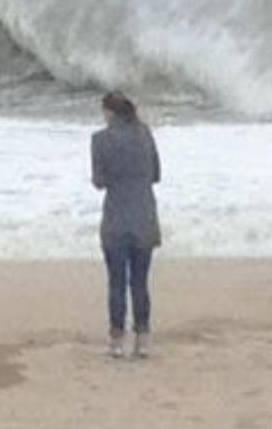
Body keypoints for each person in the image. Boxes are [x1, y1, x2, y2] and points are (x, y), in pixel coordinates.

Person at [91, 92, 162, 358]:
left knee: (117, 282)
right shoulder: (145, 134)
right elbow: (156, 175)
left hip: (116, 219)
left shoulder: (99, 140)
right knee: (140, 282)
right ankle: (142, 339)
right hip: (144, 216)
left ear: (109, 112)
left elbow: (99, 182)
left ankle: (117, 341)